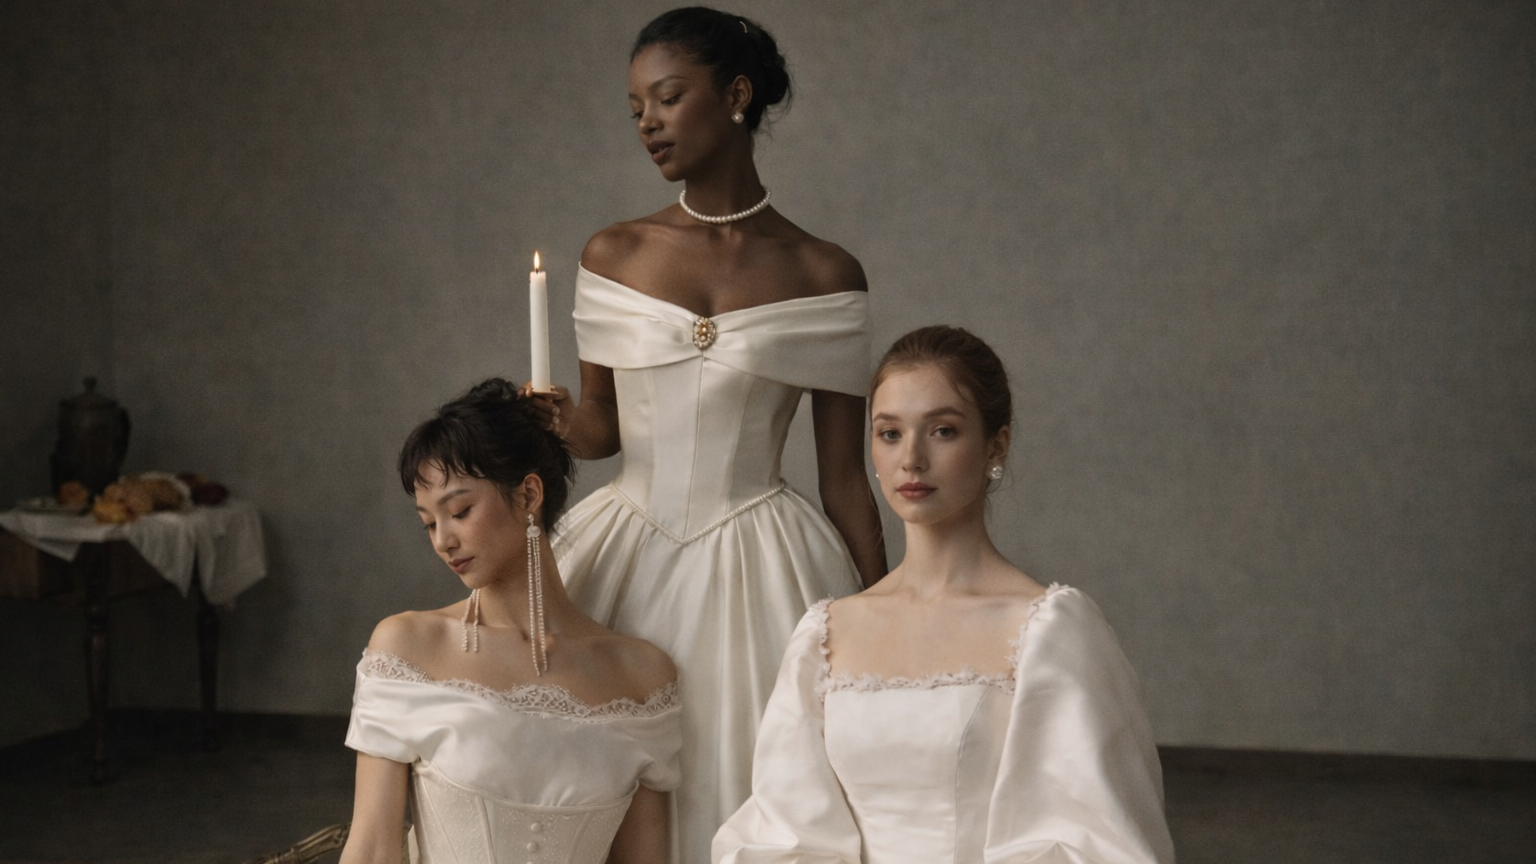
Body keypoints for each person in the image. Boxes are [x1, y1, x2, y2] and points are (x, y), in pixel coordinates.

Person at [527, 8, 886, 863]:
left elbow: (845, 478)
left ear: (735, 95)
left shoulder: (823, 272)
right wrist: (558, 423)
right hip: (623, 548)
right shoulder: (613, 253)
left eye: (667, 97)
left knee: (756, 775)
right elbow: (602, 427)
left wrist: (886, 617)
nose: (647, 122)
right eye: (635, 108)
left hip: (765, 561)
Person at [714, 326, 1176, 864]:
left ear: (996, 445)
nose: (911, 458)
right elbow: (781, 835)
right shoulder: (825, 634)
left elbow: (1090, 843)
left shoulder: (1051, 631)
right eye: (890, 433)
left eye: (942, 431)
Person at [339, 379, 681, 864]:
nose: (442, 541)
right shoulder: (407, 649)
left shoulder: (643, 677)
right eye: (429, 523)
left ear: (529, 494)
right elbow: (372, 851)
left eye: (459, 511)